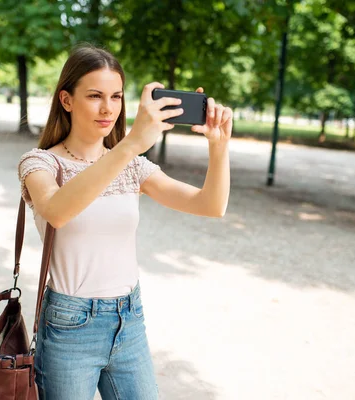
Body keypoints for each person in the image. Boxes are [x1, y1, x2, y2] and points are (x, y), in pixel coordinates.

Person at [17, 44, 232, 400]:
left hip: (129, 319)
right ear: (67, 100)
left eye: (116, 96)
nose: (108, 108)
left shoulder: (133, 167)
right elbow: (56, 210)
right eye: (95, 96)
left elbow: (210, 205)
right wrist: (131, 144)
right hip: (71, 326)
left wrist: (219, 146)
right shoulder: (40, 163)